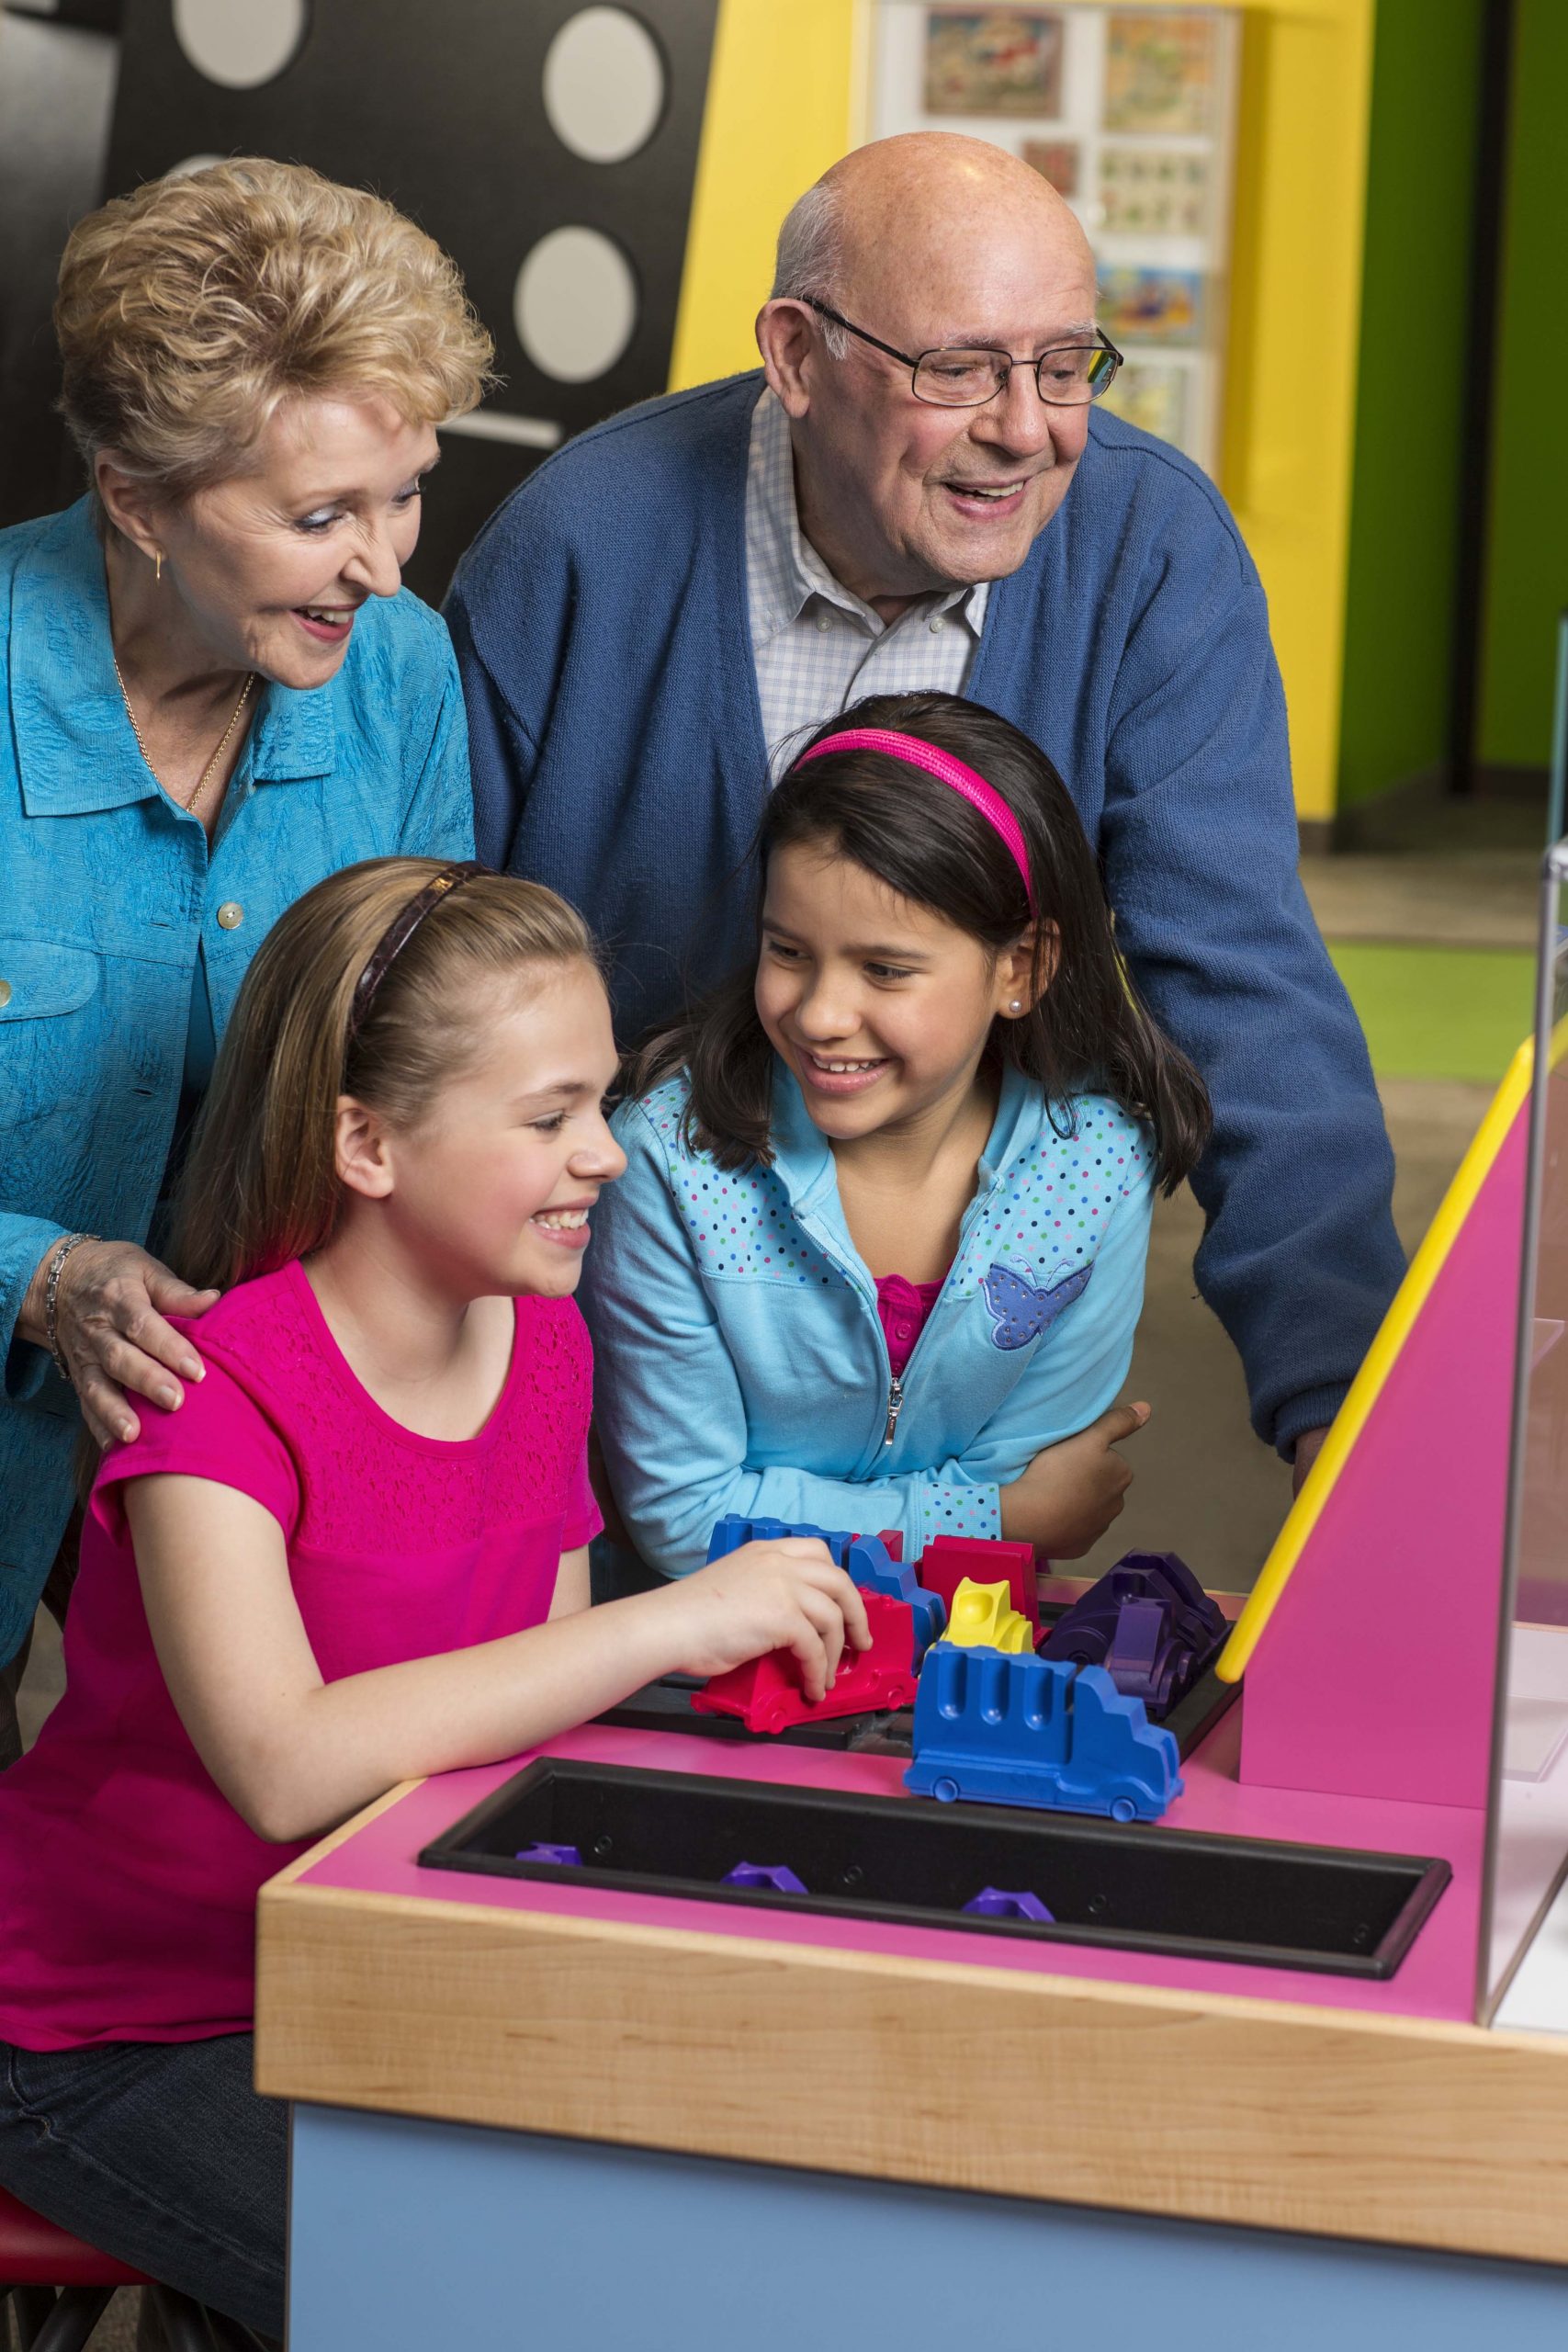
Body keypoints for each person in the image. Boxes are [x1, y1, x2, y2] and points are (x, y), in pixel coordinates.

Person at [446, 131, 1404, 1492]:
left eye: (1063, 365)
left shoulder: (1150, 552)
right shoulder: (579, 541)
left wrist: (1347, 1401)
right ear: (795, 355)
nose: (1024, 427)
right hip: (593, 1356)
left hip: (933, 1397)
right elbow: (423, 981)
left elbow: (1244, 985)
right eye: (956, 369)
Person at [0, 857, 869, 2339]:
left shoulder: (541, 1349)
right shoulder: (209, 1397)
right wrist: (670, 1621)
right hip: (107, 2026)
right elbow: (284, 1767)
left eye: (599, 1102)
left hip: (373, 1983)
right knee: (476, 2300)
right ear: (366, 1141)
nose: (604, 1154)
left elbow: (522, 1734)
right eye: (549, 1118)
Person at [0, 157, 491, 1762]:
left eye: (405, 491)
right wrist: (44, 1278)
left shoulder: (397, 674)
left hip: (259, 1449)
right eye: (318, 516)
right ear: (137, 497)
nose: (384, 566)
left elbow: (431, 1049)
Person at [582, 694, 1210, 1582]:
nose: (820, 1014)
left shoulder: (1094, 1165)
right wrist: (996, 1519)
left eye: (884, 969)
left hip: (960, 1660)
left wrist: (791, 1507)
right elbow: (684, 1521)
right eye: (787, 951)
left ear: (1019, 968)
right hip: (700, 1670)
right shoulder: (669, 1161)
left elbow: (1025, 1470)